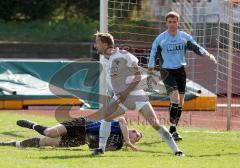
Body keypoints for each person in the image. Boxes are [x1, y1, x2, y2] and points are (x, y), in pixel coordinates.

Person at [85, 32, 184, 156]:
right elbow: (110, 80)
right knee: (106, 117)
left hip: (136, 95)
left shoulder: (124, 55)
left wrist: (125, 93)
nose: (95, 46)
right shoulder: (104, 60)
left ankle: (177, 151)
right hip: (119, 98)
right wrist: (111, 94)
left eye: (97, 42)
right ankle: (101, 149)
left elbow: (137, 77)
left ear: (105, 44)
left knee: (155, 123)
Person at [148, 11, 217, 141]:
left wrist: (207, 54)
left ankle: (173, 129)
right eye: (170, 22)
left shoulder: (184, 37)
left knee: (181, 102)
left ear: (178, 23)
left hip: (180, 70)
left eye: (174, 22)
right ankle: (172, 131)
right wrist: (151, 66)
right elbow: (153, 52)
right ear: (166, 23)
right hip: (166, 71)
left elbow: (196, 47)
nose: (172, 24)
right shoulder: (161, 38)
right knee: (174, 99)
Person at [0, 117, 142, 151]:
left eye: (137, 139)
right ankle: (32, 124)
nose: (135, 137)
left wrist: (123, 144)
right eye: (136, 134)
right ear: (131, 131)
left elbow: (94, 147)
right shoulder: (120, 125)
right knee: (49, 132)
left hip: (81, 140)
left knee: (46, 142)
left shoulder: (117, 145)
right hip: (81, 125)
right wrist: (128, 141)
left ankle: (11, 143)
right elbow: (123, 119)